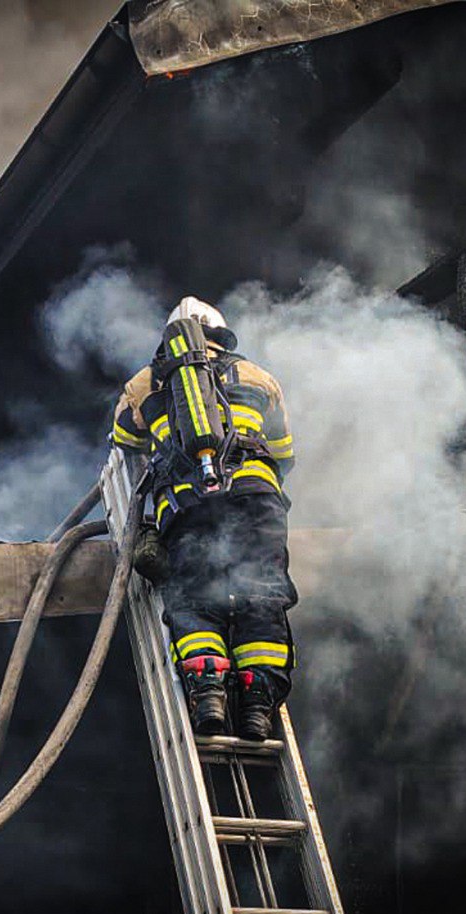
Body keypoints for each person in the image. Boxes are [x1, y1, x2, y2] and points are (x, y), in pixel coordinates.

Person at [110, 296, 297, 741]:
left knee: (193, 597)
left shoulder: (143, 384)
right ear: (220, 333)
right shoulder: (258, 377)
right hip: (256, 501)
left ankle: (209, 692)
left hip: (187, 505)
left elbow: (123, 443)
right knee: (262, 593)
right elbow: (285, 454)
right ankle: (257, 703)